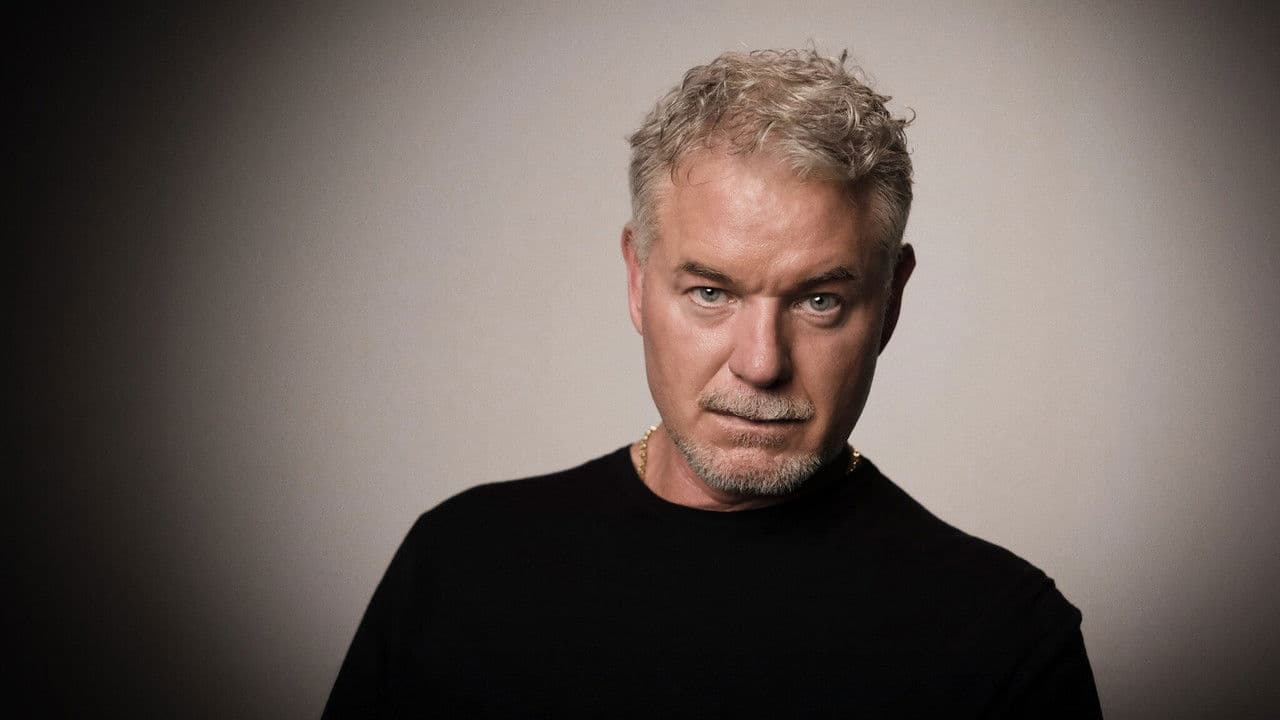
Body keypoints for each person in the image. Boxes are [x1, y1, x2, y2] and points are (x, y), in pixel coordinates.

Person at [323, 49, 1103, 718]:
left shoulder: (1005, 637)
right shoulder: (461, 565)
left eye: (819, 301)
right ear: (637, 280)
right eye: (710, 292)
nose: (760, 363)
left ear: (891, 302)